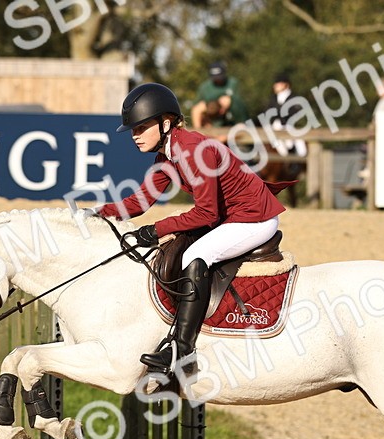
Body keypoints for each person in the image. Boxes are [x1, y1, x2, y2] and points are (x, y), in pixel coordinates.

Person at [95, 83, 292, 376]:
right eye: (132, 130)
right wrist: (97, 213)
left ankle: (181, 348)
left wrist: (157, 229)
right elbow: (141, 201)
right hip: (233, 217)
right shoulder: (167, 156)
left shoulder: (191, 150)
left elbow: (206, 212)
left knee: (194, 255)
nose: (135, 136)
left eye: (141, 127)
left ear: (165, 123)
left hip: (254, 218)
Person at [263, 72, 307, 162]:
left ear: (285, 85)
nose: (275, 86)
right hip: (276, 127)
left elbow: (294, 113)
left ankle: (299, 160)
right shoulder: (273, 99)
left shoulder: (294, 98)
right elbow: (267, 113)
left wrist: (279, 113)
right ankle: (284, 157)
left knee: (300, 146)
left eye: (278, 84)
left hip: (291, 126)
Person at [190, 61, 247, 128]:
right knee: (198, 108)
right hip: (212, 122)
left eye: (219, 77)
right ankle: (198, 133)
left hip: (233, 121)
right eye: (215, 77)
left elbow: (242, 105)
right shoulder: (204, 87)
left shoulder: (233, 83)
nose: (217, 80)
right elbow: (195, 108)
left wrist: (228, 101)